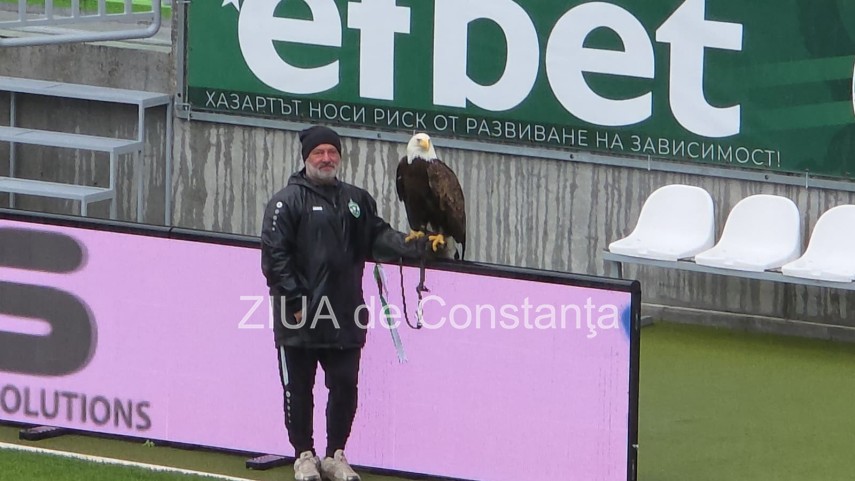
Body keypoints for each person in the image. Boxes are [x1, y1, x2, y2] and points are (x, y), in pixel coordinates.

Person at [260, 125, 425, 481]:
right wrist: (295, 302)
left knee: (345, 388)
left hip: (346, 314)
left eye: (332, 152)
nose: (326, 158)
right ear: (306, 158)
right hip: (299, 318)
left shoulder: (357, 200)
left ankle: (335, 455)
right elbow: (275, 257)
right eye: (319, 152)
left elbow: (377, 237)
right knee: (298, 389)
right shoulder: (285, 202)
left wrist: (415, 245)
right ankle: (304, 456)